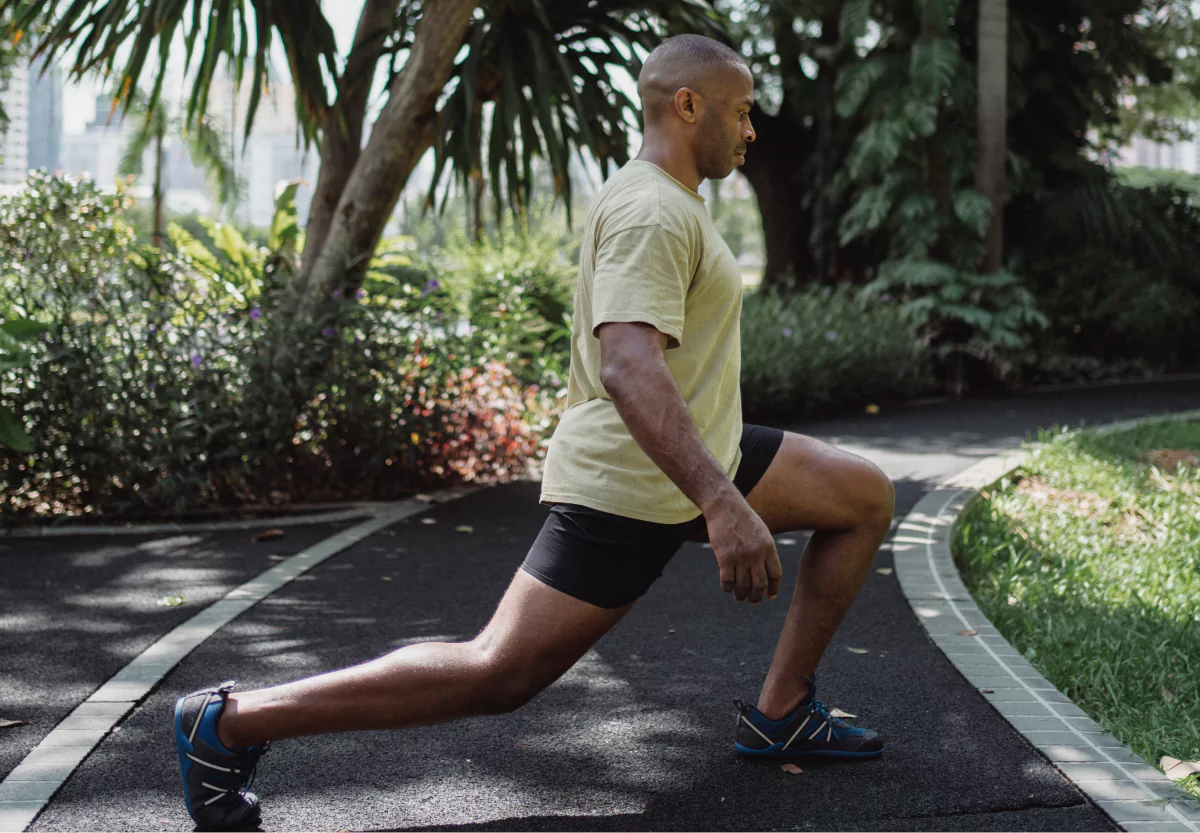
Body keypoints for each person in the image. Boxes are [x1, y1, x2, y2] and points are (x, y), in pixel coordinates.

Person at [173, 33, 895, 830]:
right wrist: (722, 503)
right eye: (742, 111)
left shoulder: (670, 199)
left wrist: (720, 484)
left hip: (698, 452)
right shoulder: (652, 209)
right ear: (687, 106)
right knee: (498, 672)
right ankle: (228, 720)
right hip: (637, 479)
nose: (751, 130)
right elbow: (628, 365)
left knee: (860, 493)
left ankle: (782, 710)